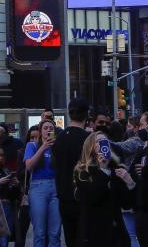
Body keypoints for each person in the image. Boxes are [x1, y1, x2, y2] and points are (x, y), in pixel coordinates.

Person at [73, 131, 136, 247]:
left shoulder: (116, 169)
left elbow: (126, 204)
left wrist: (130, 183)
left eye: (105, 142)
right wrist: (102, 170)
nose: (103, 144)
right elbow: (93, 199)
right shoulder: (83, 172)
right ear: (91, 147)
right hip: (93, 232)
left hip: (116, 232)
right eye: (98, 142)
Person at [51, 98, 90, 246]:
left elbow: (54, 164)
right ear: (87, 115)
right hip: (83, 198)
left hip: (63, 197)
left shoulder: (59, 138)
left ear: (69, 114)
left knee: (70, 239)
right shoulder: (87, 139)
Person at [24, 119, 61, 247]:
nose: (49, 130)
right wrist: (43, 147)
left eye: (51, 128)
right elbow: (28, 166)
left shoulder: (57, 148)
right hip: (38, 187)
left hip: (55, 187)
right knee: (39, 231)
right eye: (45, 128)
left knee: (55, 232)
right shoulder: (32, 145)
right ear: (40, 132)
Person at [16, 125, 40, 247]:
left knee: (40, 230)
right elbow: (19, 172)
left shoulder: (45, 152)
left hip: (41, 193)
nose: (34, 141)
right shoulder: (22, 151)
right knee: (21, 230)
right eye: (32, 137)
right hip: (26, 194)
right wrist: (29, 163)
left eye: (37, 137)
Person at [0, 147, 21, 247]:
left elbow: (16, 195)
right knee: (1, 238)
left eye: (2, 156)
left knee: (6, 238)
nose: (0, 158)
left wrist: (16, 184)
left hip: (8, 207)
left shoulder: (7, 171)